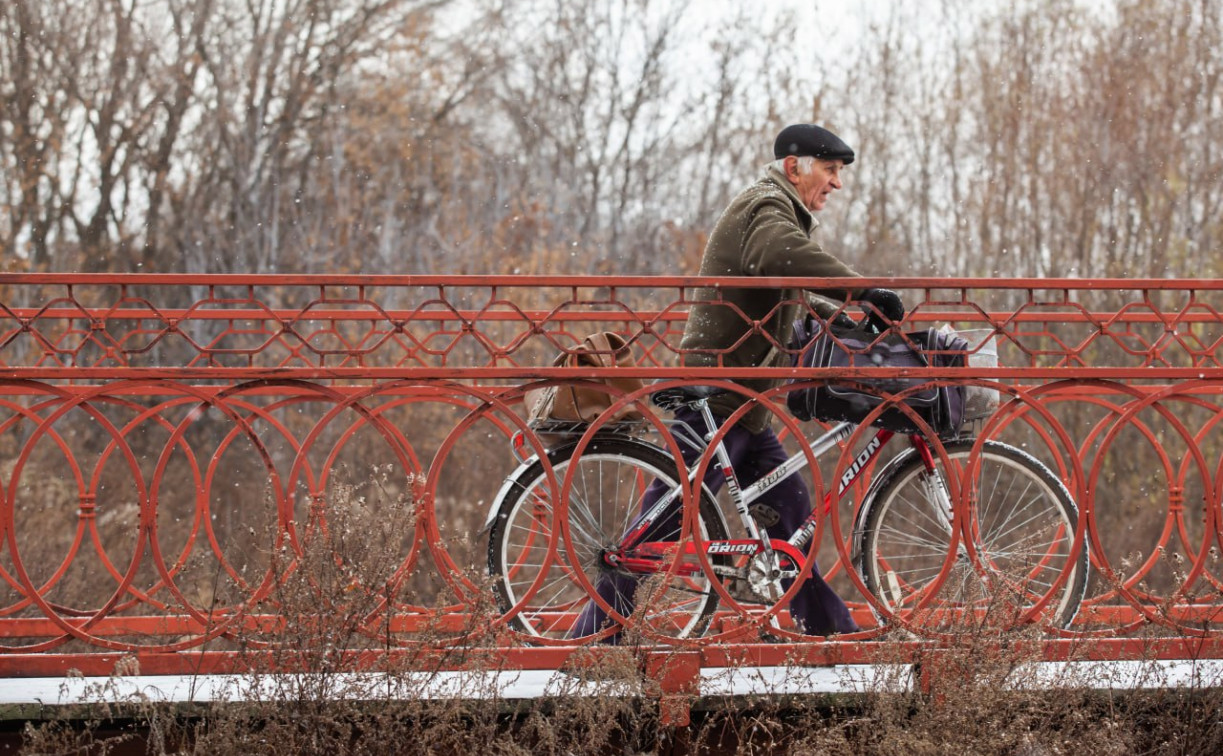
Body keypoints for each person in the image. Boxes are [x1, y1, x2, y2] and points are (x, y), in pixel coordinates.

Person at [570, 123, 904, 640]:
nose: (837, 183)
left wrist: (847, 319)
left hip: (743, 403)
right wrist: (862, 290)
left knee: (791, 521)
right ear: (794, 167)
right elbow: (778, 257)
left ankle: (826, 632)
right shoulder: (766, 207)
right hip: (718, 393)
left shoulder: (778, 212)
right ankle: (591, 637)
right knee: (665, 521)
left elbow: (788, 293)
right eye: (830, 170)